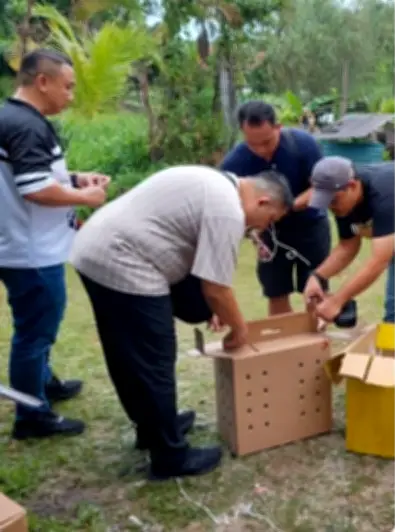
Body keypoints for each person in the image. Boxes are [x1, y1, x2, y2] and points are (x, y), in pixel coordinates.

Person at [69, 166, 294, 480]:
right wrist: (239, 329)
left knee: (127, 353)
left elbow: (201, 279)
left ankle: (153, 428)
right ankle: (170, 456)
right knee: (153, 359)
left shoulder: (215, 181)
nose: (261, 229)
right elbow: (216, 288)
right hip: (124, 260)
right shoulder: (227, 209)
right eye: (269, 221)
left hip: (97, 247)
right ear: (263, 202)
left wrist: (210, 308)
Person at [0, 49, 110, 440]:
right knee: (35, 332)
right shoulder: (27, 125)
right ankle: (31, 415)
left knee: (37, 325)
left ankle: (43, 383)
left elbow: (27, 175)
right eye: (68, 86)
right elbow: (33, 189)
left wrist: (75, 178)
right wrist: (86, 199)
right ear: (42, 82)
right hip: (31, 251)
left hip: (18, 244)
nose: (71, 95)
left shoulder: (12, 118)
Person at [221, 101, 330, 316]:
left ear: (278, 127)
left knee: (314, 287)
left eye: (267, 141)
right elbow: (228, 202)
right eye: (253, 144)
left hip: (310, 225)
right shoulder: (236, 160)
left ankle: (315, 339)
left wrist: (286, 207)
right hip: (269, 233)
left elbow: (322, 187)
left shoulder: (304, 145)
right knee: (275, 290)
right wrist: (253, 233)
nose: (261, 150)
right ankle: (284, 342)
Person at [302, 157, 395, 325]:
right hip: (389, 236)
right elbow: (348, 245)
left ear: (352, 186)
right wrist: (317, 277)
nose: (331, 207)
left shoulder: (384, 195)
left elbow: (379, 260)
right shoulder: (344, 201)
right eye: (326, 202)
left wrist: (338, 300)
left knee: (393, 311)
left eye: (333, 201)